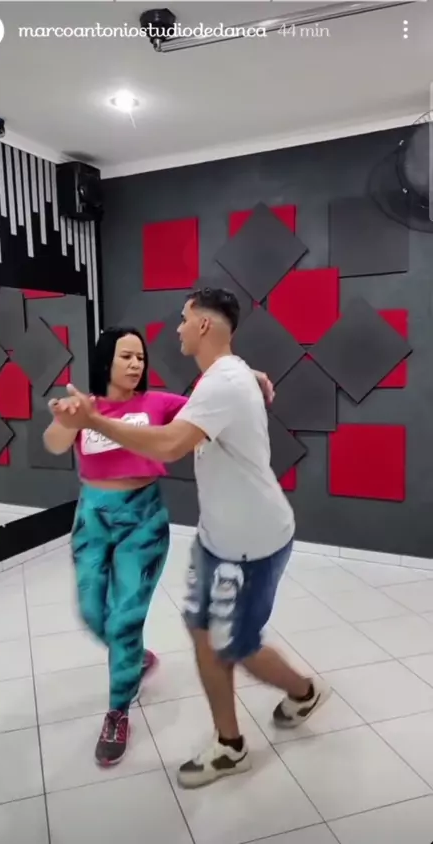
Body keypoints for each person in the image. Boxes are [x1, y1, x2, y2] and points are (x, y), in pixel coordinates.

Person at [51, 289, 329, 789]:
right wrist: (80, 417)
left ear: (203, 325)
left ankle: (297, 696)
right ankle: (230, 739)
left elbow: (171, 444)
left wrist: (95, 421)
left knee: (231, 643)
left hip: (249, 543)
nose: (176, 328)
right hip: (216, 538)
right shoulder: (220, 378)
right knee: (199, 631)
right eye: (126, 355)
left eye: (183, 319)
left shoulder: (217, 384)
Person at [44, 322, 273, 769]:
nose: (136, 364)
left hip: (143, 520)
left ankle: (117, 711)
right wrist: (65, 421)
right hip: (92, 517)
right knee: (92, 612)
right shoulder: (86, 407)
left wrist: (251, 376)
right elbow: (54, 444)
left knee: (125, 618)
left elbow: (215, 403)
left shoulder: (160, 403)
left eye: (140, 357)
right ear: (106, 360)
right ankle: (135, 657)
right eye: (126, 356)